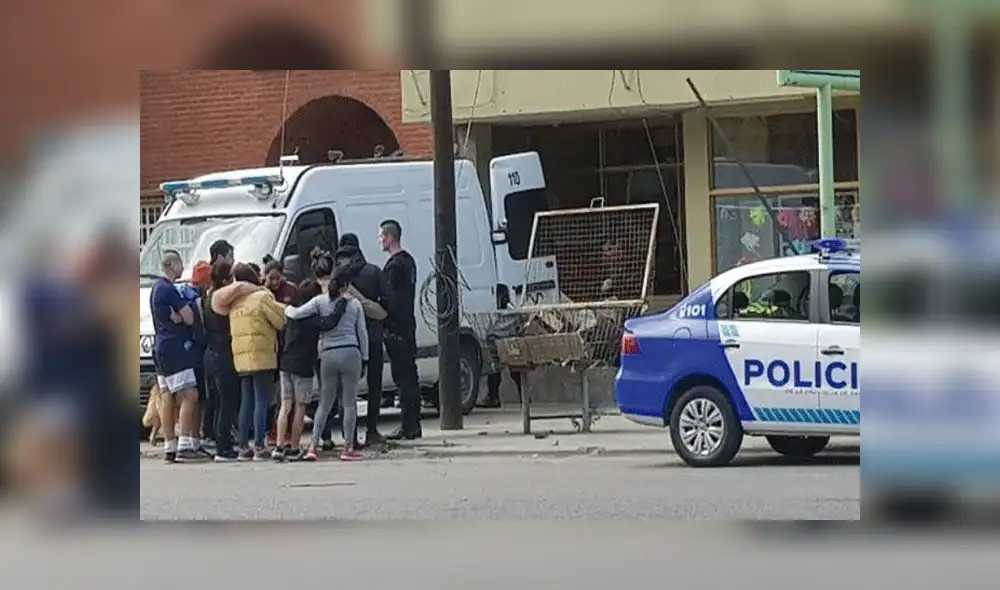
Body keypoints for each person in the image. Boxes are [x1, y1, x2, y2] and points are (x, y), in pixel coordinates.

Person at [286, 267, 369, 462]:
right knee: (349, 402)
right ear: (347, 285)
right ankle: (348, 447)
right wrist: (365, 358)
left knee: (325, 402)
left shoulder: (319, 301)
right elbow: (362, 333)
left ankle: (313, 446)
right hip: (351, 351)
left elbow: (297, 314)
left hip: (328, 355)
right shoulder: (354, 304)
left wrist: (286, 308)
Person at [215, 263, 286, 461]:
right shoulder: (263, 297)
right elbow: (279, 321)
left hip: (241, 357)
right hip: (261, 355)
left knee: (246, 402)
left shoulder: (235, 302)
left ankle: (243, 446)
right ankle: (260, 446)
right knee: (262, 401)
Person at [334, 233, 391, 446]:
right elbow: (389, 303)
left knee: (346, 390)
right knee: (374, 385)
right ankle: (372, 431)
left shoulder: (336, 277)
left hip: (345, 339)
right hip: (372, 336)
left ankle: (350, 436)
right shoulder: (373, 272)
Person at [202, 260, 259, 461]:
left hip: (213, 354)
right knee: (226, 403)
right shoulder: (219, 295)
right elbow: (242, 286)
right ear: (226, 279)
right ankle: (223, 447)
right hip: (221, 354)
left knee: (221, 402)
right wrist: (259, 287)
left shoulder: (210, 295)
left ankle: (222, 443)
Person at [150, 250, 201, 463]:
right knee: (190, 394)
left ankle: (170, 446)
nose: (182, 268)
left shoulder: (155, 289)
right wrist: (181, 317)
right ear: (171, 265)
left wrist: (177, 317)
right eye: (180, 264)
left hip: (160, 346)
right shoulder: (169, 290)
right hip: (175, 347)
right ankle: (185, 445)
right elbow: (189, 318)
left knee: (166, 395)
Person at [378, 219, 422, 440]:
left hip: (396, 327)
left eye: (382, 237)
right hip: (409, 324)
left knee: (402, 378)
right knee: (411, 375)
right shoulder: (410, 262)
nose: (380, 241)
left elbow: (390, 299)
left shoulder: (394, 266)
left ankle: (408, 425)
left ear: (390, 237)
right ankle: (415, 423)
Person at [273, 279, 323, 461]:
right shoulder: (314, 318)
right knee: (301, 406)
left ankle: (279, 446)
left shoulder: (292, 315)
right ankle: (294, 447)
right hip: (303, 365)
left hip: (286, 362)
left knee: (285, 405)